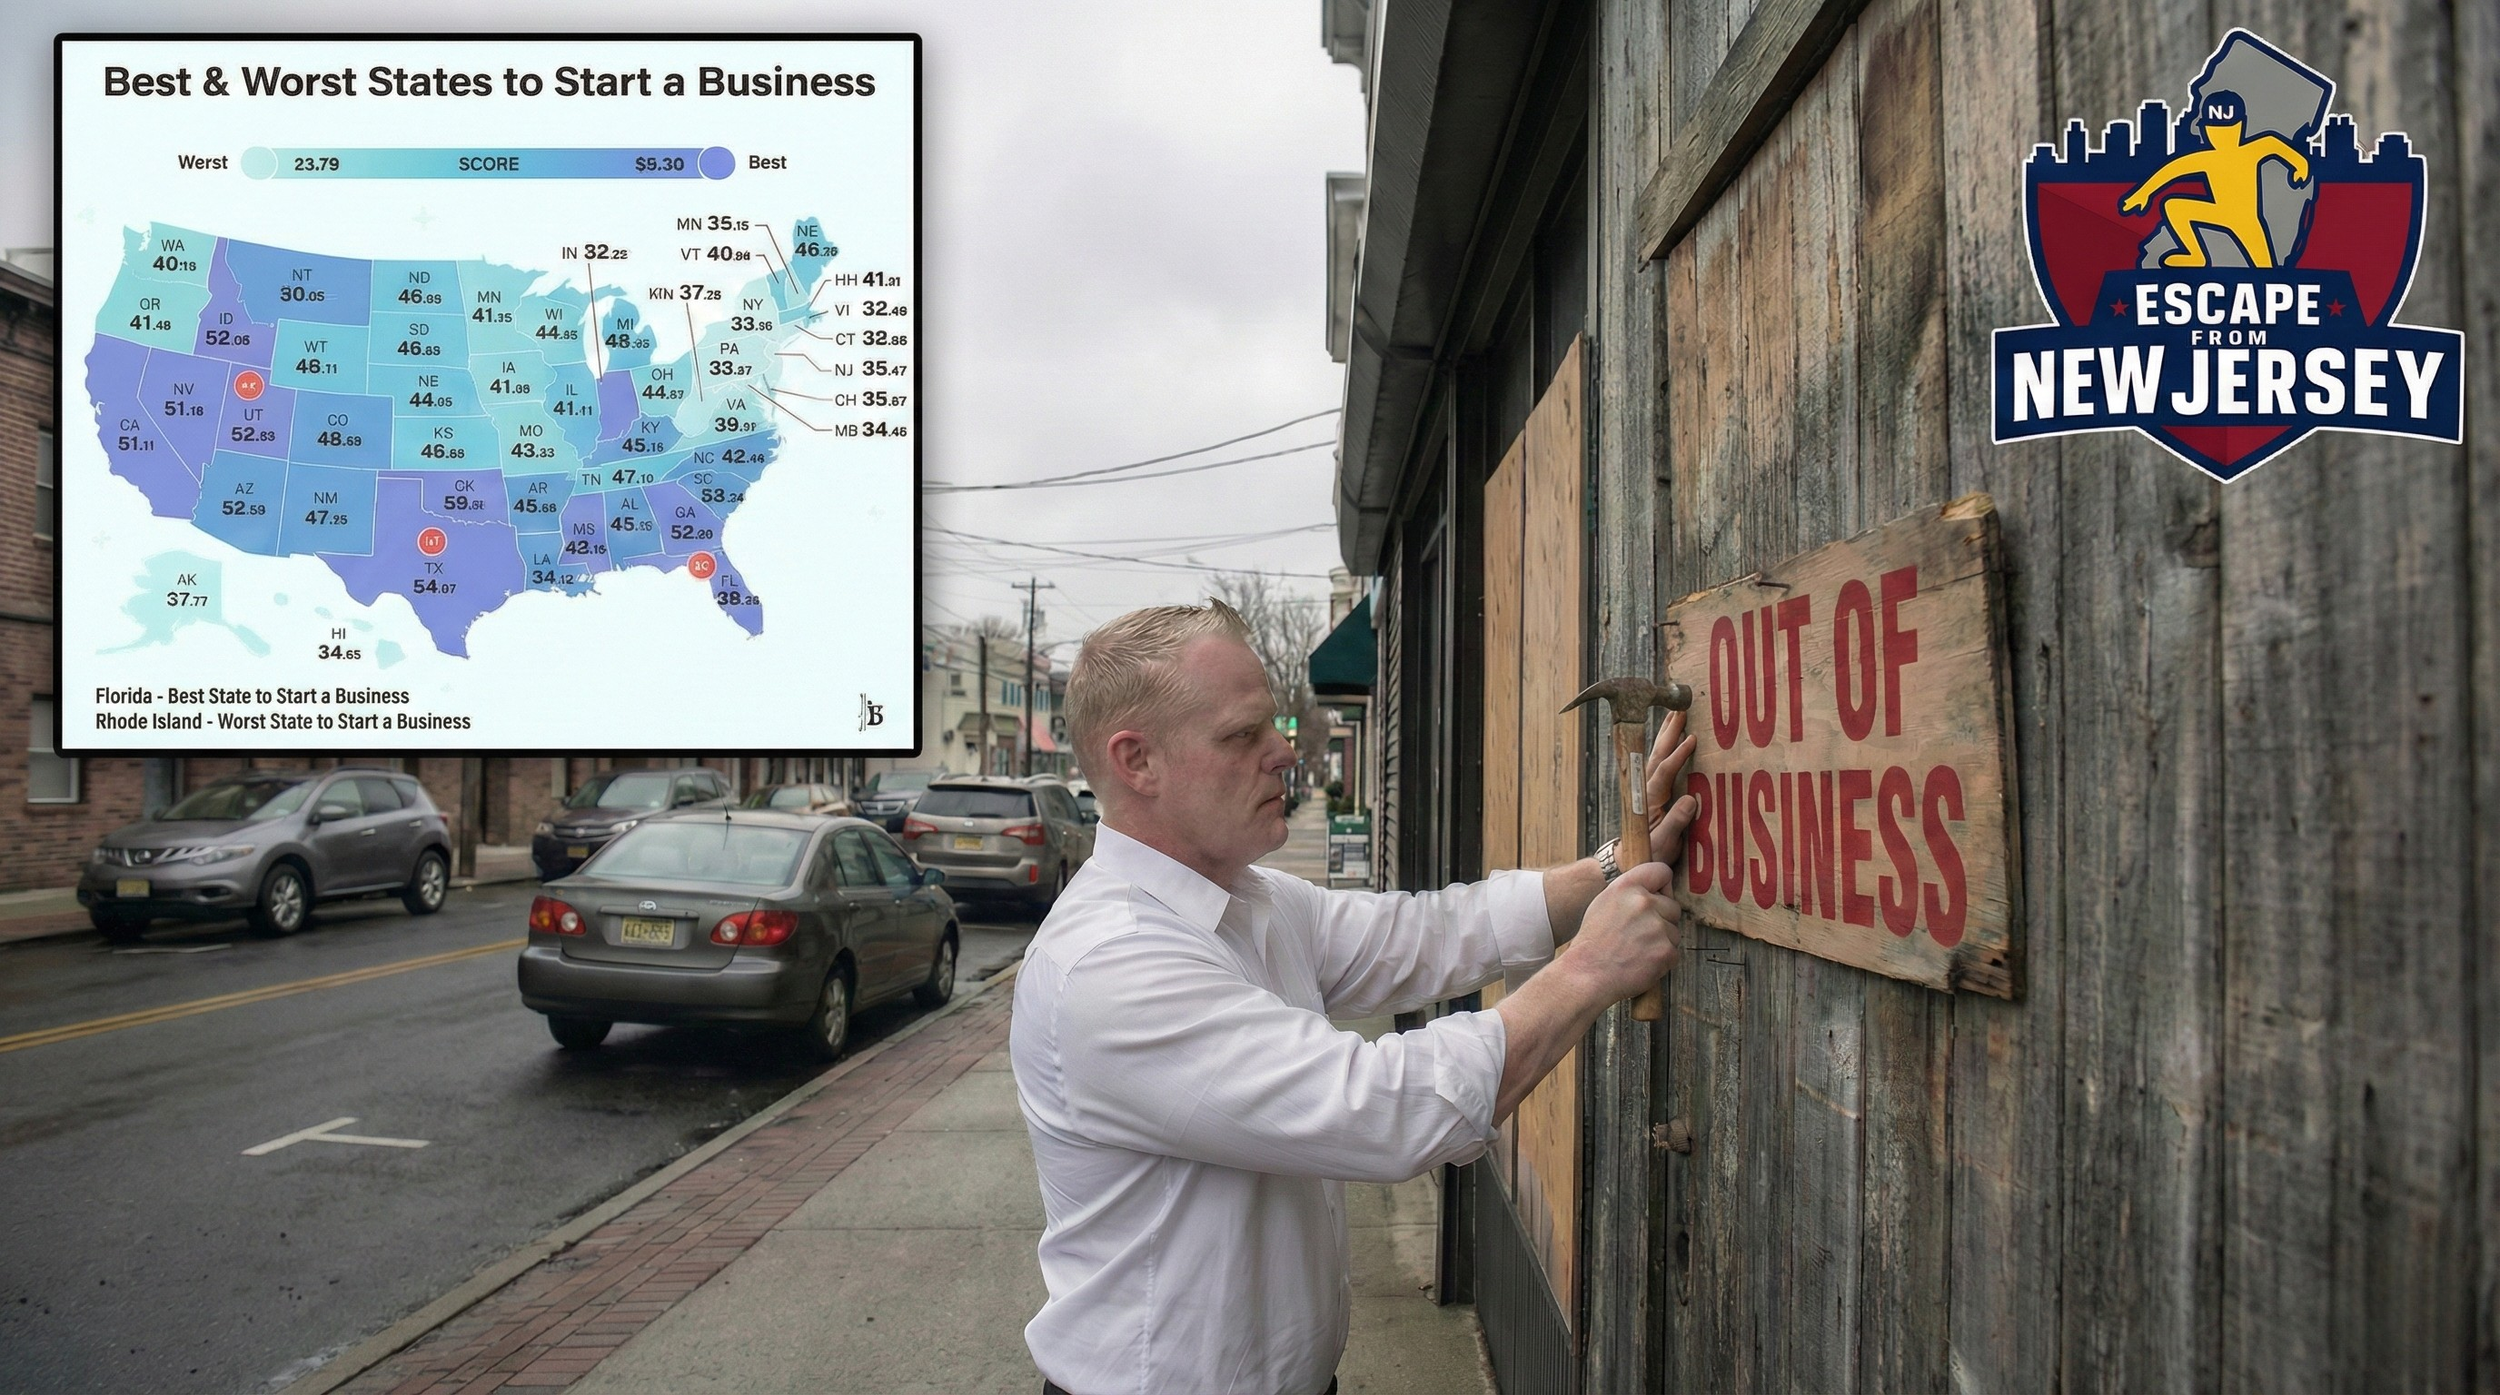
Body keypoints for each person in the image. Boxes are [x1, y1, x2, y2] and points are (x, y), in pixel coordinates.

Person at [1012, 600, 1694, 1395]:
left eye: (1273, 727)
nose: (1282, 753)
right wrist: (1589, 971)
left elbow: (1430, 934)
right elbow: (1380, 1108)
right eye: (1242, 735)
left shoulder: (1248, 900)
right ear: (1138, 762)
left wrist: (1612, 868)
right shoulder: (1111, 965)